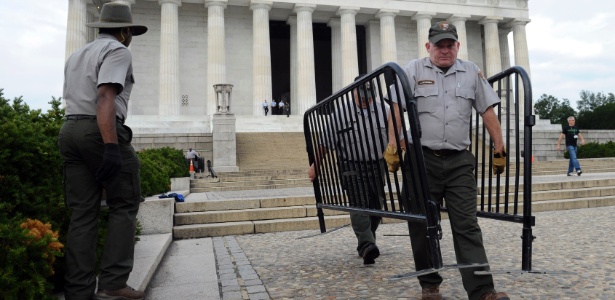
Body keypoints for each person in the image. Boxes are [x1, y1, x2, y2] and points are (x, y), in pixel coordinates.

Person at [384, 22, 509, 300]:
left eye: (449, 44)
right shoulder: (413, 69)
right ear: (428, 46)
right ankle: (429, 285)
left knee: (467, 225)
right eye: (439, 45)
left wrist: (499, 148)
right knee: (421, 224)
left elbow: (487, 111)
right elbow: (395, 108)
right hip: (421, 161)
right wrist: (393, 144)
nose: (444, 50)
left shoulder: (471, 71)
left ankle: (482, 290)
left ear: (457, 46)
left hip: (459, 161)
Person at [58, 3, 147, 300]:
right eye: (130, 32)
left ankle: (78, 291)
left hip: (69, 129)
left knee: (83, 212)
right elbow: (105, 96)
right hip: (99, 131)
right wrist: (110, 146)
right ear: (124, 32)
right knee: (125, 201)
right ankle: (112, 283)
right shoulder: (118, 51)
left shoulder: (76, 54)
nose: (130, 37)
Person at [308, 77, 389, 265]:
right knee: (358, 204)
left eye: (369, 96)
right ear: (353, 92)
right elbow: (325, 143)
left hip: (377, 164)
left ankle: (367, 239)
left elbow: (396, 135)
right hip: (351, 165)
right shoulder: (340, 114)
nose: (365, 100)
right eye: (361, 96)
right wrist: (316, 166)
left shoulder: (383, 111)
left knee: (376, 206)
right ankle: (367, 245)